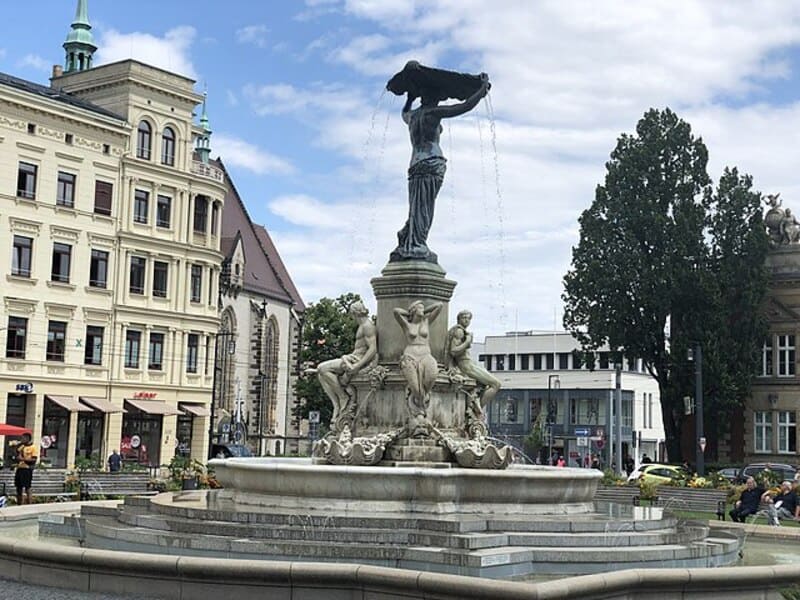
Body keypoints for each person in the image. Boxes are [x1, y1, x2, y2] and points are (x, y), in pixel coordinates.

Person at [390, 62, 490, 262]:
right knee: (425, 208)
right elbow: (463, 106)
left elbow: (403, 113)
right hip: (433, 162)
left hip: (414, 165)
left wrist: (409, 99)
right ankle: (416, 244)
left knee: (416, 206)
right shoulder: (433, 113)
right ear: (434, 98)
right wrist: (481, 89)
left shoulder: (413, 116)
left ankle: (409, 238)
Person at [306, 300, 377, 431]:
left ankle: (343, 397)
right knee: (321, 374)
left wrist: (357, 366)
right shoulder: (363, 326)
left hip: (356, 360)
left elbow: (373, 349)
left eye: (352, 314)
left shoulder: (367, 326)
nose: (352, 317)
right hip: (352, 357)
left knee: (323, 368)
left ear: (355, 313)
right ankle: (337, 404)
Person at [394, 300, 443, 434]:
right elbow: (396, 312)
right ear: (414, 310)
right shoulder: (407, 325)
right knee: (416, 388)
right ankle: (420, 412)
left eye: (423, 308)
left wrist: (423, 311)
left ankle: (420, 409)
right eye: (419, 308)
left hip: (426, 355)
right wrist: (411, 311)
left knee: (432, 375)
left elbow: (439, 306)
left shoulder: (426, 321)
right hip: (410, 355)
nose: (422, 310)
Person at [446, 310, 501, 410]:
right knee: (496, 384)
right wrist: (467, 342)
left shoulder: (462, 331)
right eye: (464, 318)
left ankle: (475, 406)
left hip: (470, 363)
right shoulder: (459, 331)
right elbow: (453, 351)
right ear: (459, 319)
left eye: (468, 318)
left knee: (489, 384)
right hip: (466, 365)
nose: (466, 320)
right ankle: (475, 412)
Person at [13, 433, 37, 505]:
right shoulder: (21, 447)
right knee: (18, 487)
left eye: (23, 438)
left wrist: (23, 459)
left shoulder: (33, 447)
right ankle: (19, 503)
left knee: (27, 487)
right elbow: (17, 455)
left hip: (27, 469)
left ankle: (29, 504)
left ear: (28, 438)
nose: (22, 439)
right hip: (20, 468)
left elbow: (34, 460)